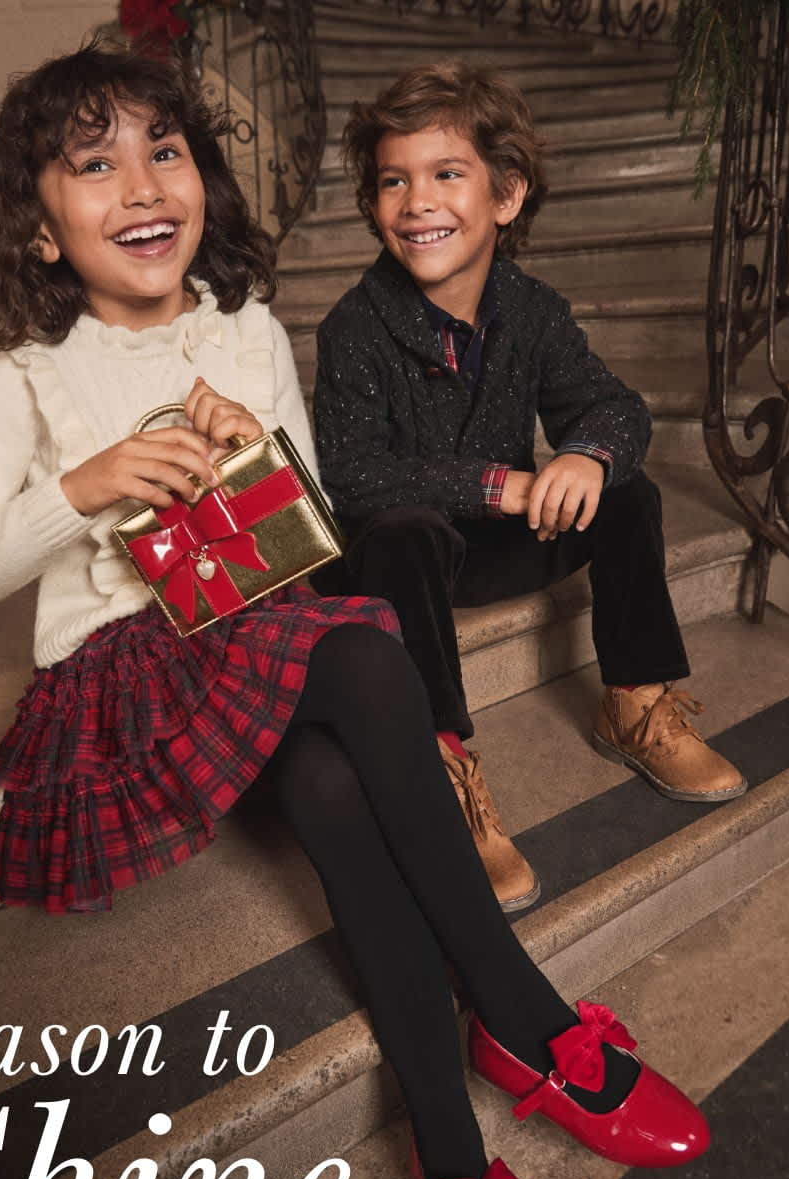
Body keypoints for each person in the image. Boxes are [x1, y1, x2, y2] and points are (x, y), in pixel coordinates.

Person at [0, 37, 708, 1179]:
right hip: (132, 664)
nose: (139, 182)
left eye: (162, 149)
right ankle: (524, 1017)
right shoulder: (21, 370)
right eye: (92, 165)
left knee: (340, 777)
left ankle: (455, 1174)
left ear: (201, 181)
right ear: (42, 230)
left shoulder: (241, 324)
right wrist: (91, 485)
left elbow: (309, 541)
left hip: (256, 618)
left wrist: (253, 458)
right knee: (361, 652)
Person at [315, 62, 747, 913]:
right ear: (372, 205)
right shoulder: (355, 326)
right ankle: (438, 765)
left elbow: (612, 405)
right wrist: (496, 485)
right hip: (409, 564)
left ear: (505, 197)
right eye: (393, 181)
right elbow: (352, 472)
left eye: (446, 174)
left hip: (504, 548)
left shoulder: (533, 309)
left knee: (625, 490)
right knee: (400, 530)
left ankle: (634, 702)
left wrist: (584, 454)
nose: (416, 201)